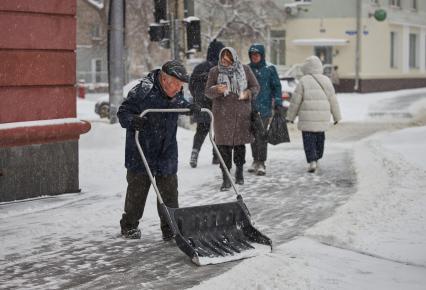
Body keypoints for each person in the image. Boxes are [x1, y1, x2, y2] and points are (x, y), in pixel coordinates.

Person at [117, 60, 201, 240]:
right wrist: (133, 120)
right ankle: (129, 226)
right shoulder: (142, 91)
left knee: (169, 193)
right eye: (176, 84)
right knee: (137, 194)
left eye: (181, 85)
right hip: (141, 151)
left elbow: (180, 103)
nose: (179, 88)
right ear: (164, 79)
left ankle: (171, 229)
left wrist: (191, 108)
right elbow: (122, 113)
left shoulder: (175, 92)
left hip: (166, 151)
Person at [205, 47, 260, 191]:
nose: (225, 61)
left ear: (234, 58)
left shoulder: (245, 70)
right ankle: (226, 178)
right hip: (221, 116)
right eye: (223, 58)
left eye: (228, 58)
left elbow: (255, 87)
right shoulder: (214, 71)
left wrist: (247, 93)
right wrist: (217, 89)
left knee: (240, 146)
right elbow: (207, 92)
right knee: (223, 147)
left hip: (241, 115)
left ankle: (240, 172)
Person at [286, 56, 341, 173]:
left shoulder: (303, 81)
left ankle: (312, 161)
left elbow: (296, 101)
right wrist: (337, 117)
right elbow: (333, 100)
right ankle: (318, 157)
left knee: (308, 140)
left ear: (306, 68)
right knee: (320, 138)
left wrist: (290, 117)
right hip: (322, 117)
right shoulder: (326, 80)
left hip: (307, 118)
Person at [188, 39, 225, 168]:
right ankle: (216, 156)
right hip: (218, 103)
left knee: (201, 130)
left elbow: (191, 85)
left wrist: (197, 97)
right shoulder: (221, 69)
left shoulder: (199, 67)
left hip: (201, 103)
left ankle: (195, 152)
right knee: (219, 130)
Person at [247, 43, 282, 176]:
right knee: (252, 136)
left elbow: (276, 87)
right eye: (252, 55)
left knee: (261, 135)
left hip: (264, 108)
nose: (254, 57)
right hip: (249, 108)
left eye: (257, 54)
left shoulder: (270, 69)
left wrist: (278, 101)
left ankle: (261, 162)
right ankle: (255, 160)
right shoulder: (247, 69)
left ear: (262, 55)